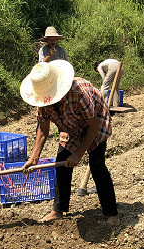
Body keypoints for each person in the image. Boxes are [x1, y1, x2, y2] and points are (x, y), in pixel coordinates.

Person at [20, 60, 120, 225]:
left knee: (97, 166)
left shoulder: (79, 92)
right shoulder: (43, 99)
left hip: (95, 122)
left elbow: (93, 126)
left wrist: (79, 154)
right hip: (70, 127)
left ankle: (111, 213)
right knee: (61, 163)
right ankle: (58, 210)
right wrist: (34, 156)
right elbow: (43, 129)